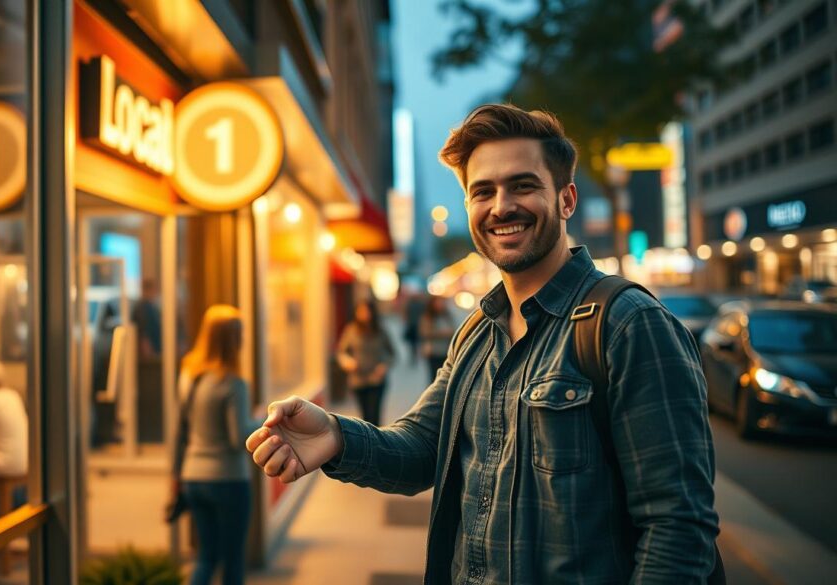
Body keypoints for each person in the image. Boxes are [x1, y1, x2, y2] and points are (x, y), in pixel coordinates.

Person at [246, 104, 720, 583]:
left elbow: (677, 530)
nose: (501, 206)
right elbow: (422, 449)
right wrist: (336, 436)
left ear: (566, 199)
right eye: (483, 192)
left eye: (523, 185)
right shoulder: (477, 331)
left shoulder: (628, 325)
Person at [171, 305, 257, 585]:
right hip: (228, 479)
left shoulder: (189, 376)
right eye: (240, 334)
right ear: (233, 339)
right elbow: (238, 438)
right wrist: (264, 420)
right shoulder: (233, 383)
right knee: (232, 559)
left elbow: (178, 431)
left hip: (193, 477)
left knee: (207, 557)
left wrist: (175, 474)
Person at [336, 299, 395, 427]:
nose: (364, 314)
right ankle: (368, 443)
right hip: (358, 380)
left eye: (367, 311)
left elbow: (392, 353)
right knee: (365, 416)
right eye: (361, 311)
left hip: (376, 379)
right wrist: (347, 361)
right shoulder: (351, 330)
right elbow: (341, 352)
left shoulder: (380, 330)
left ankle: (377, 444)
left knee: (375, 415)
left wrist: (384, 365)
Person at [419, 295, 456, 376]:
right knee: (435, 376)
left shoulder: (447, 316)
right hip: (434, 351)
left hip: (447, 351)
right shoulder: (428, 317)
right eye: (438, 303)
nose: (440, 305)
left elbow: (453, 328)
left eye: (442, 302)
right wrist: (442, 333)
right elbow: (424, 332)